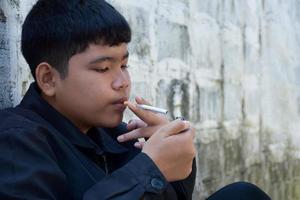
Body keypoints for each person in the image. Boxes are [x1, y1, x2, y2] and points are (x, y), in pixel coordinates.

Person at [0, 0, 272, 200]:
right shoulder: (16, 142)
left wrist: (175, 161)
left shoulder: (117, 136)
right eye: (103, 69)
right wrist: (150, 168)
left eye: (125, 66)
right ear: (48, 79)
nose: (123, 82)